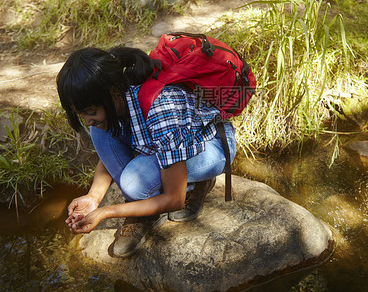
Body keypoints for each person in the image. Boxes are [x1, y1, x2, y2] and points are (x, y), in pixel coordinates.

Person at [56, 46, 237, 257]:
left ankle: (192, 186)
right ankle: (144, 204)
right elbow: (110, 153)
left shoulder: (160, 111)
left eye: (91, 112)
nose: (87, 120)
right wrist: (93, 198)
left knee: (134, 183)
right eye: (81, 114)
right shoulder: (118, 100)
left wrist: (106, 212)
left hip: (212, 147)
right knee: (100, 131)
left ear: (113, 93)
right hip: (170, 145)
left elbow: (174, 199)